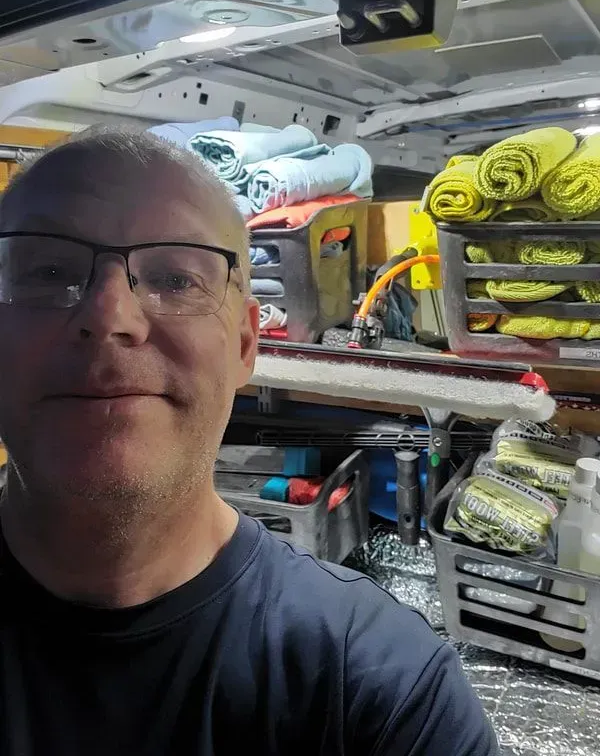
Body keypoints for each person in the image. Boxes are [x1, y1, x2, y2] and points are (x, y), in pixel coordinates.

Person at [0, 127, 498, 756]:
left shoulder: (380, 687)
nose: (110, 317)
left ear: (244, 344)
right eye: (48, 271)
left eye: (175, 279)